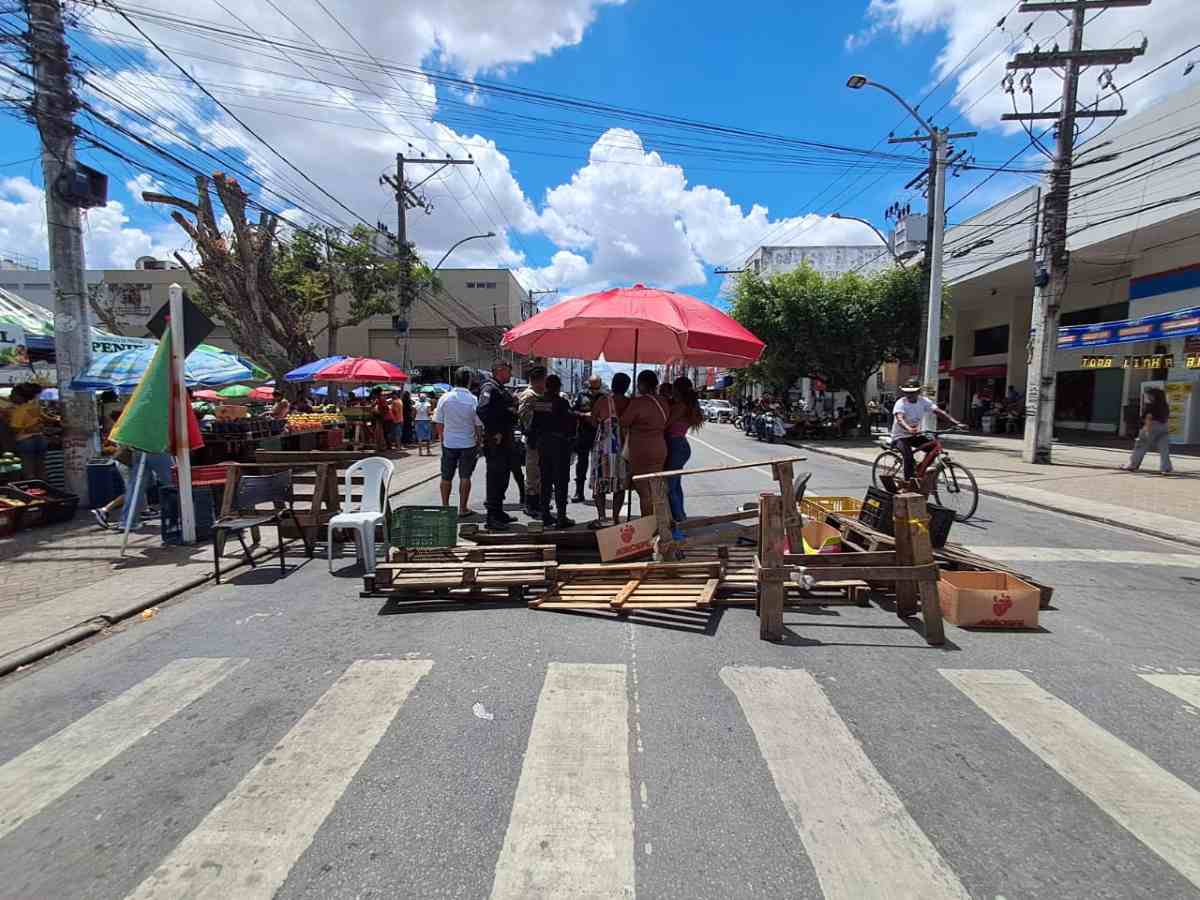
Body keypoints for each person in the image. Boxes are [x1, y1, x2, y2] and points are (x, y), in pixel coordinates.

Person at [527, 374, 577, 528]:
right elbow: (571, 425)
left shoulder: (538, 402)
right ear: (558, 387)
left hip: (543, 445)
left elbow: (533, 425)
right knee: (561, 482)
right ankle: (561, 518)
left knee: (546, 481)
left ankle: (546, 516)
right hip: (560, 446)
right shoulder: (562, 402)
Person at [432, 367, 483, 518]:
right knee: (465, 476)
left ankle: (445, 507)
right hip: (468, 443)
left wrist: (443, 438)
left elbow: (438, 422)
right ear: (468, 382)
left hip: (449, 443)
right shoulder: (473, 399)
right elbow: (478, 424)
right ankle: (462, 508)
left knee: (446, 476)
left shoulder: (444, 398)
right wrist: (479, 440)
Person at [892, 377, 963, 482]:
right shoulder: (901, 403)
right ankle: (907, 483)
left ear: (918, 392)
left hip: (914, 435)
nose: (909, 395)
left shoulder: (923, 401)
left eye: (913, 392)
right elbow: (899, 419)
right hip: (900, 437)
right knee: (908, 457)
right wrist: (908, 428)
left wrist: (956, 422)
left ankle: (920, 469)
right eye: (907, 392)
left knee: (933, 447)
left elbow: (939, 412)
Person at [620, 370, 670, 518]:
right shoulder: (663, 401)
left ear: (641, 384)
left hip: (641, 450)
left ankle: (648, 526)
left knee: (645, 492)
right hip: (660, 448)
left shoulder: (638, 402)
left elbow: (623, 421)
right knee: (656, 488)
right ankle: (659, 523)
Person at [476, 359, 518, 530]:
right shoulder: (489, 388)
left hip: (506, 439)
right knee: (495, 477)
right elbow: (482, 410)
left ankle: (499, 511)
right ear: (500, 370)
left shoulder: (500, 389)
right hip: (496, 441)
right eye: (509, 370)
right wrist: (494, 432)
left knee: (503, 476)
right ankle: (492, 517)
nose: (511, 374)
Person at [589, 372, 630, 527]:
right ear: (626, 387)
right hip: (622, 449)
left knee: (599, 484)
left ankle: (602, 517)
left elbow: (593, 421)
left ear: (613, 384)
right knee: (620, 485)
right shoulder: (629, 402)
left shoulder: (602, 401)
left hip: (603, 448)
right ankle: (615, 518)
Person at [665, 375, 704, 526]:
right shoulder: (686, 405)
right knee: (675, 485)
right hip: (680, 445)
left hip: (676, 446)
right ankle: (680, 515)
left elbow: (665, 423)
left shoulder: (680, 406)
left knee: (670, 487)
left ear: (677, 390)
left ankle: (679, 519)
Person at [517, 365, 548, 517]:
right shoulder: (529, 395)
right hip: (533, 440)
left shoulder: (538, 394)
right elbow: (525, 418)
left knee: (539, 473)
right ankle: (531, 505)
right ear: (539, 380)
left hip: (541, 440)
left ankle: (538, 503)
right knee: (533, 473)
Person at [9, 383, 56, 481]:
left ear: (20, 397)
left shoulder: (18, 411)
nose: (10, 396)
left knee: (28, 472)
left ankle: (33, 493)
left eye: (12, 394)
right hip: (40, 439)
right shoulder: (35, 407)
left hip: (25, 441)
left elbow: (15, 429)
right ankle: (45, 491)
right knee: (41, 469)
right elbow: (46, 419)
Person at [1122, 388, 1173, 475]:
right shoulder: (1165, 406)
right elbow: (1167, 419)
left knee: (1140, 446)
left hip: (1151, 426)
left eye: (1149, 395)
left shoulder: (1150, 406)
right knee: (1164, 449)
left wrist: (1146, 430)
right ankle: (1166, 468)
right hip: (1163, 428)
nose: (1148, 397)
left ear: (1154, 396)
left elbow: (1148, 418)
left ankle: (1132, 465)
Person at [572, 375, 602, 503]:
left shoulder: (604, 397)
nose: (594, 390)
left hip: (600, 435)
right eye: (591, 387)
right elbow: (572, 411)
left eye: (596, 387)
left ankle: (598, 492)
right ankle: (579, 492)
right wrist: (584, 415)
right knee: (582, 463)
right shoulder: (581, 396)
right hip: (584, 434)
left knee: (599, 465)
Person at [413, 391, 433, 456]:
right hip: (426, 420)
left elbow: (414, 413)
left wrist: (414, 419)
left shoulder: (416, 404)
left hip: (418, 420)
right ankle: (428, 451)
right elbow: (428, 413)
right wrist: (433, 412)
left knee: (419, 437)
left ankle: (420, 452)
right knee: (427, 437)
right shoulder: (428, 404)